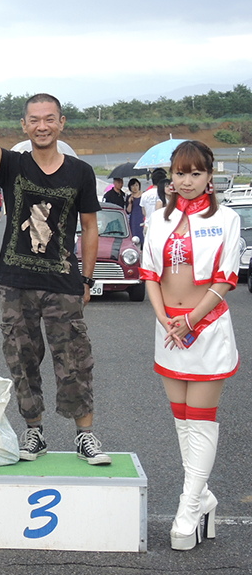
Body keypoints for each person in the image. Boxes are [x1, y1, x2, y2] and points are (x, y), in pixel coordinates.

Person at [0, 81, 111, 466]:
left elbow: (90, 227)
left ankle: (85, 436)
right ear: (24, 126)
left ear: (61, 123)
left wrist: (88, 279)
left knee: (74, 358)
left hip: (64, 283)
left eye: (49, 119)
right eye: (35, 120)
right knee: (22, 359)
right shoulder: (13, 165)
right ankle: (34, 432)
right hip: (16, 283)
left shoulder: (80, 172)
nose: (42, 126)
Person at [140, 140, 239, 551]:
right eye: (181, 173)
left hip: (207, 329)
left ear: (209, 176)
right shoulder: (158, 219)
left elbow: (225, 277)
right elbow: (149, 273)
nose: (187, 181)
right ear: (172, 176)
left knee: (200, 421)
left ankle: (189, 506)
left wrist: (191, 320)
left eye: (196, 173)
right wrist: (165, 318)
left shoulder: (227, 219)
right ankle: (203, 496)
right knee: (182, 420)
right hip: (169, 332)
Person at [126, 178, 144, 246]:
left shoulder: (144, 195)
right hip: (134, 219)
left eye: (136, 185)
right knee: (134, 237)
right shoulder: (129, 197)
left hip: (142, 216)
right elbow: (128, 211)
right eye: (133, 186)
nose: (135, 187)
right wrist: (130, 203)